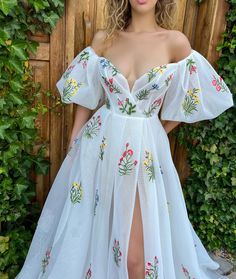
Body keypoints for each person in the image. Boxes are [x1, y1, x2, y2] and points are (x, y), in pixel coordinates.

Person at [16, 0, 234, 278]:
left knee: (135, 259)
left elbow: (197, 94)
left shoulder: (174, 42)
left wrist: (156, 131)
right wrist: (74, 140)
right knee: (90, 231)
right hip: (99, 148)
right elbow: (86, 94)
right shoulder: (105, 39)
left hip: (142, 156)